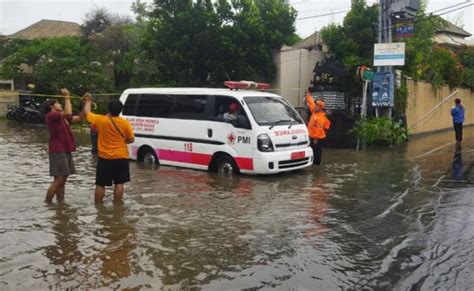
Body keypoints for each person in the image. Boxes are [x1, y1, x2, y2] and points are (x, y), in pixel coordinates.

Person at [83, 95, 135, 203]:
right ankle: (117, 206)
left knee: (100, 184)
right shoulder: (125, 123)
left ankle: (98, 207)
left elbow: (87, 113)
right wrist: (121, 142)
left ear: (108, 109)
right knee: (119, 183)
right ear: (121, 110)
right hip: (121, 156)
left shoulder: (101, 120)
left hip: (105, 157)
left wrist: (88, 101)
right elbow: (131, 139)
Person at [44, 88, 84, 203]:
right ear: (52, 106)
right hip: (58, 150)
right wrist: (67, 97)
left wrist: (86, 102)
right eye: (57, 102)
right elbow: (68, 112)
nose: (60, 104)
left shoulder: (61, 117)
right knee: (60, 178)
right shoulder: (51, 115)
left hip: (65, 149)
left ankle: (60, 204)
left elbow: (80, 118)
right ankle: (47, 203)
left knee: (62, 178)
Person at [306, 88, 331, 165]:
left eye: (317, 106)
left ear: (320, 108)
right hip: (313, 136)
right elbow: (311, 103)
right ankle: (314, 165)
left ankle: (317, 165)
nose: (315, 106)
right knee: (313, 151)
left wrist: (315, 138)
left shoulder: (321, 117)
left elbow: (318, 128)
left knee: (317, 152)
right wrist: (308, 95)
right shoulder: (315, 111)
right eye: (316, 105)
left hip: (317, 138)